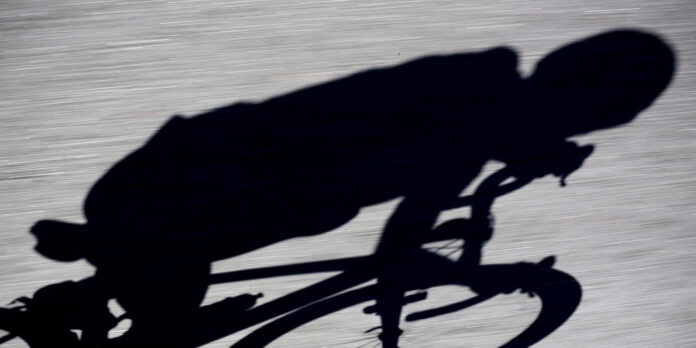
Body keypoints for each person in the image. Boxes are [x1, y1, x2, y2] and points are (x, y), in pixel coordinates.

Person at [24, 30, 673, 346]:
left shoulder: (478, 84)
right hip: (170, 199)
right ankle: (81, 308)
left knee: (170, 298)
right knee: (165, 336)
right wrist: (480, 280)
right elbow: (400, 248)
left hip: (175, 184)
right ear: (593, 105)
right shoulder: (469, 123)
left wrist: (527, 149)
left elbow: (477, 124)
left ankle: (82, 301)